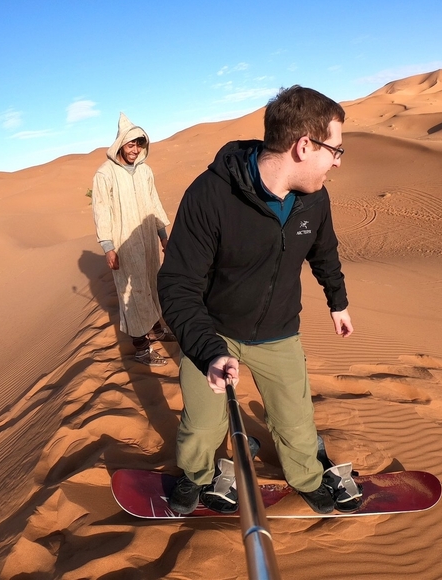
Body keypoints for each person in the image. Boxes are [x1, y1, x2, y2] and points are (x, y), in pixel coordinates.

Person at [157, 85, 354, 515]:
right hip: (213, 332)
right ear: (304, 146)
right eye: (335, 150)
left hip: (278, 331)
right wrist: (209, 351)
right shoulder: (210, 195)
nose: (337, 161)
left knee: (296, 423)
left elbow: (324, 250)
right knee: (202, 428)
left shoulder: (314, 198)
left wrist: (337, 301)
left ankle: (306, 476)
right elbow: (177, 284)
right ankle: (197, 476)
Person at [92, 112, 172, 367]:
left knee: (151, 283)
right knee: (133, 292)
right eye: (131, 144)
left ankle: (157, 329)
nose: (135, 149)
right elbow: (101, 210)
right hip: (124, 244)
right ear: (120, 144)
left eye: (139, 144)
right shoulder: (105, 174)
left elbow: (154, 203)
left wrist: (162, 235)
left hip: (148, 238)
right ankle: (141, 348)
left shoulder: (145, 171)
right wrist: (108, 247)